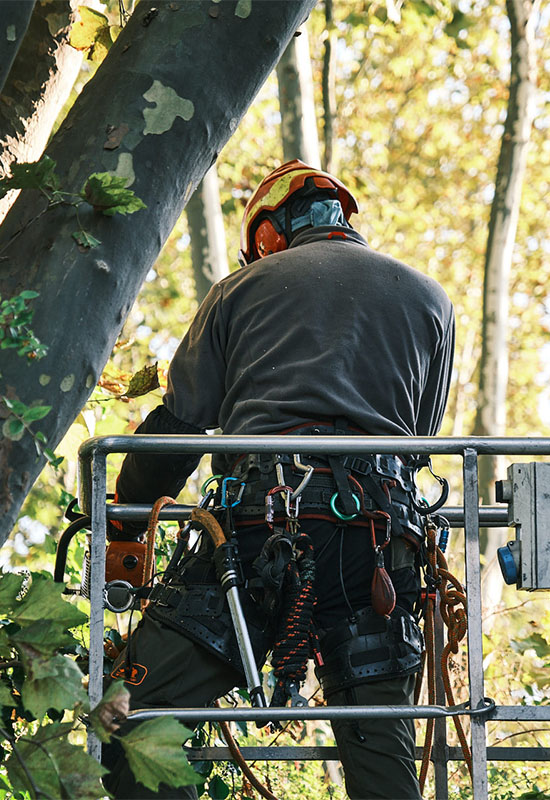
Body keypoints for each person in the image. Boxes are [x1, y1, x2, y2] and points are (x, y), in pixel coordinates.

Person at [101, 159, 455, 799]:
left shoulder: (241, 289)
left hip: (258, 532)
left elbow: (177, 427)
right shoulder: (429, 299)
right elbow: (420, 439)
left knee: (130, 717)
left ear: (267, 233)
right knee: (383, 755)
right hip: (377, 542)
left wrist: (125, 514)